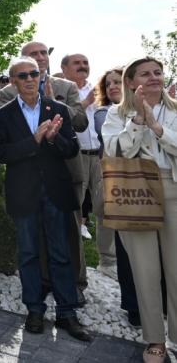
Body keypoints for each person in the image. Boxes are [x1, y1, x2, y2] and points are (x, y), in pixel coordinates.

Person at [0, 56, 91, 342]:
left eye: (34, 74)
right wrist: (34, 141)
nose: (30, 79)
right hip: (23, 194)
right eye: (23, 75)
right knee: (29, 254)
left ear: (40, 77)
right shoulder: (3, 115)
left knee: (60, 253)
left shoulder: (57, 109)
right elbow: (1, 153)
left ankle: (67, 312)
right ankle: (34, 309)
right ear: (13, 81)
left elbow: (71, 149)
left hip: (55, 193)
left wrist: (53, 138)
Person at [102, 57, 177, 363]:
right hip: (135, 192)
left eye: (158, 72)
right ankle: (155, 339)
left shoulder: (175, 110)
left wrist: (158, 128)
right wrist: (137, 122)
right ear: (131, 82)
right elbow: (115, 151)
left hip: (173, 188)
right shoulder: (116, 113)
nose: (154, 77)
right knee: (145, 271)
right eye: (145, 73)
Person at [93, 66, 145, 327]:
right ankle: (133, 305)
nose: (113, 86)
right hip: (124, 184)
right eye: (108, 84)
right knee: (126, 246)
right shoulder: (106, 113)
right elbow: (117, 147)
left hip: (156, 182)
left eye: (118, 81)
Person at [61, 53, 116, 277]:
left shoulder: (99, 89)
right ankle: (74, 263)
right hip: (77, 156)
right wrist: (85, 103)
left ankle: (108, 261)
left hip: (101, 156)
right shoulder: (61, 90)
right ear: (65, 68)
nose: (83, 66)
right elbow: (64, 119)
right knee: (74, 209)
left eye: (85, 63)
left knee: (106, 207)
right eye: (77, 63)